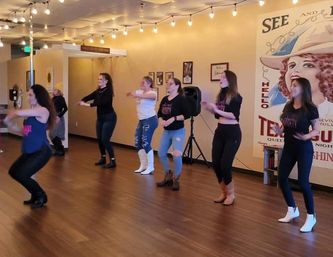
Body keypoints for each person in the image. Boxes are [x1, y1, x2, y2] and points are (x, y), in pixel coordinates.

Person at [273, 77, 320, 233]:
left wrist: (307, 136)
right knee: (281, 178)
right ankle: (292, 209)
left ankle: (311, 216)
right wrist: (279, 131)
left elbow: (316, 130)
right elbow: (285, 126)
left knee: (303, 182)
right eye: (291, 85)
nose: (291, 88)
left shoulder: (310, 108)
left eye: (295, 86)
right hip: (289, 147)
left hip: (304, 148)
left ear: (303, 89)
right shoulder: (288, 106)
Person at [260, 20, 333, 119]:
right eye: (291, 65)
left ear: (327, 73)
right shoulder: (276, 111)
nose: (295, 70)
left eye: (308, 65)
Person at [5, 84, 56, 208]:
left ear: (38, 96)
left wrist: (9, 117)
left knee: (22, 174)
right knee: (14, 171)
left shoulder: (43, 110)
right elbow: (24, 131)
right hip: (30, 150)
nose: (28, 97)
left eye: (30, 95)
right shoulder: (31, 114)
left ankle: (41, 196)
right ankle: (35, 195)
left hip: (41, 151)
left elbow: (18, 112)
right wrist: (12, 127)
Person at [202, 70, 242, 206]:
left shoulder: (236, 97)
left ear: (230, 80)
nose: (221, 78)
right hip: (220, 132)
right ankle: (224, 192)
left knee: (225, 164)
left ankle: (231, 194)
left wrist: (216, 110)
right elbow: (218, 115)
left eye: (224, 77)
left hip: (233, 133)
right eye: (221, 76)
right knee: (216, 163)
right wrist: (210, 108)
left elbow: (233, 115)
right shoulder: (220, 96)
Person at [156, 78, 190, 191]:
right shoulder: (165, 99)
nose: (168, 85)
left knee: (176, 155)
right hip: (167, 131)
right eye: (167, 83)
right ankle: (168, 175)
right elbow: (159, 113)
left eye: (170, 83)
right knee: (161, 153)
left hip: (178, 131)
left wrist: (173, 118)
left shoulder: (181, 99)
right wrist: (161, 120)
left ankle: (176, 179)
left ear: (177, 86)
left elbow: (187, 115)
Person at [79, 73, 117, 169]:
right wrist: (82, 100)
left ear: (106, 81)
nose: (99, 81)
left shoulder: (108, 91)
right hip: (100, 118)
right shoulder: (98, 91)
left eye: (101, 79)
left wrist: (87, 105)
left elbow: (102, 103)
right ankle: (103, 158)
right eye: (98, 79)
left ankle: (112, 160)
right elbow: (88, 97)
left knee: (105, 139)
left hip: (109, 118)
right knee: (99, 139)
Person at [126, 76, 158, 175]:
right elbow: (132, 93)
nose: (141, 84)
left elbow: (151, 97)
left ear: (149, 84)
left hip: (150, 119)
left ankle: (151, 166)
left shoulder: (152, 93)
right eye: (141, 82)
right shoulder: (140, 92)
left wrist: (137, 95)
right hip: (142, 120)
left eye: (143, 83)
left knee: (146, 142)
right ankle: (143, 165)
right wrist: (131, 94)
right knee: (137, 142)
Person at [49, 88, 67, 156]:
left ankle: (61, 150)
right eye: (53, 90)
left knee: (56, 134)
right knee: (51, 134)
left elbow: (65, 108)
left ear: (58, 92)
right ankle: (58, 149)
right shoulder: (53, 99)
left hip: (57, 117)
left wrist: (59, 116)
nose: (53, 91)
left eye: (55, 90)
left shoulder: (61, 98)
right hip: (52, 116)